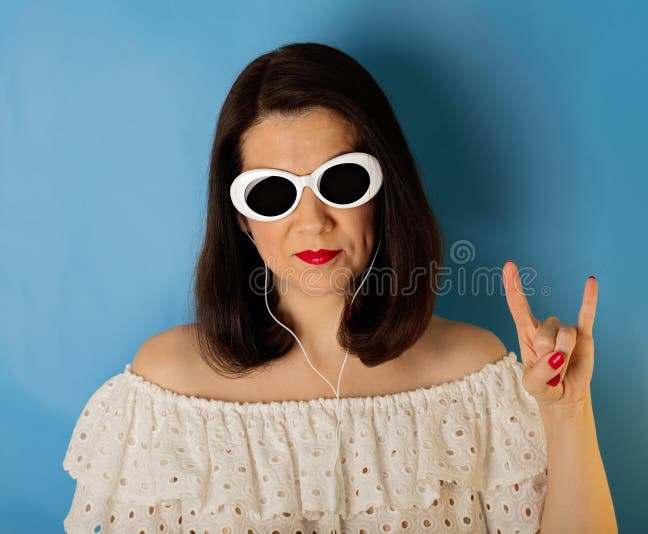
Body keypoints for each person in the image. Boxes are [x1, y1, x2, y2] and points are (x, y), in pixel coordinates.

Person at [63, 42, 617, 533]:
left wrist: (568, 413)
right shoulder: (167, 391)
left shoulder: (473, 372)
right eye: (272, 194)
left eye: (342, 180)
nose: (313, 221)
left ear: (383, 188)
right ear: (240, 218)